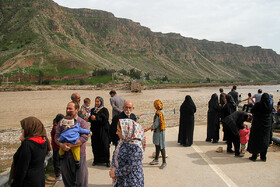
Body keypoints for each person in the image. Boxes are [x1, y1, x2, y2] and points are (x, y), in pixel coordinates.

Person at [9, 117, 50, 187]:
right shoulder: (44, 141)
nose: (22, 130)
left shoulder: (28, 145)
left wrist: (15, 184)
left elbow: (22, 169)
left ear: (30, 128)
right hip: (39, 179)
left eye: (23, 128)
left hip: (28, 182)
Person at [55, 102, 89, 187]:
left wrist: (71, 145)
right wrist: (61, 145)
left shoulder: (82, 122)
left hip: (79, 156)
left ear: (77, 110)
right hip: (65, 156)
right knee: (68, 181)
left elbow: (84, 137)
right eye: (67, 108)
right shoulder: (62, 122)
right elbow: (56, 136)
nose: (68, 110)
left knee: (81, 181)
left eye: (70, 109)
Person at [109, 119, 146, 187]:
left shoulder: (136, 147)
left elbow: (130, 166)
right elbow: (115, 154)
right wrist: (113, 168)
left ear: (126, 131)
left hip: (132, 182)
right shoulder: (123, 141)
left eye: (118, 131)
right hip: (121, 180)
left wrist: (115, 173)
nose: (116, 133)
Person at [248, 93, 273, 162]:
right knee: (265, 141)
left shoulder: (258, 105)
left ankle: (254, 156)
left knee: (256, 140)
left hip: (257, 126)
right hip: (266, 126)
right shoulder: (270, 106)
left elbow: (252, 110)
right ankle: (263, 157)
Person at [145, 99, 167, 169]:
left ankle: (164, 162)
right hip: (160, 131)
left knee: (161, 146)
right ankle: (156, 159)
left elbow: (156, 124)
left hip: (159, 132)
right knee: (157, 145)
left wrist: (148, 128)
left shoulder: (158, 113)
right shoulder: (162, 111)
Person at [89, 96, 110, 167]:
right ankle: (96, 160)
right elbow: (90, 119)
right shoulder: (93, 110)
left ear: (101, 102)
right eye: (96, 101)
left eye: (98, 101)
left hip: (103, 130)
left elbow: (105, 119)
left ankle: (107, 161)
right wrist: (89, 118)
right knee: (95, 145)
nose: (96, 103)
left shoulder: (104, 110)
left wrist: (96, 118)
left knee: (105, 145)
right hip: (95, 131)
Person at [51, 114, 64, 181]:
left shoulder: (56, 126)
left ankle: (59, 174)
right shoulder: (56, 128)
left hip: (57, 146)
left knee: (58, 160)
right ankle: (57, 175)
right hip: (57, 147)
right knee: (57, 161)